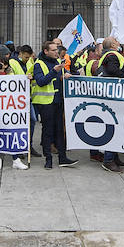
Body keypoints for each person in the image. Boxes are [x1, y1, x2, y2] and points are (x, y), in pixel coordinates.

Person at [32, 39, 77, 169]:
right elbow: (40, 81)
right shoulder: (39, 64)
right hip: (46, 103)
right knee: (48, 131)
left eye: (56, 50)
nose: (56, 52)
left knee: (59, 131)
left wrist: (64, 76)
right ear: (46, 51)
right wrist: (54, 71)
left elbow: (57, 78)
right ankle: (48, 159)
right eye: (53, 50)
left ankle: (62, 158)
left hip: (58, 101)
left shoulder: (57, 62)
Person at [94, 37, 124, 172]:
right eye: (116, 40)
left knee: (116, 125)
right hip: (115, 95)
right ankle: (108, 160)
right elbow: (114, 70)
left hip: (110, 93)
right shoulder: (113, 55)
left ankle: (114, 157)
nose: (119, 41)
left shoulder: (106, 55)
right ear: (113, 45)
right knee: (115, 125)